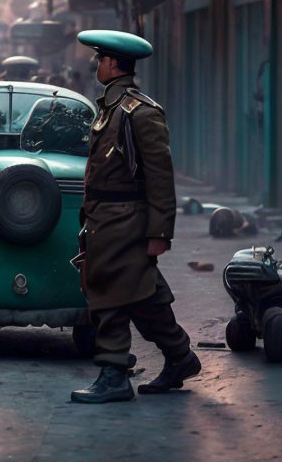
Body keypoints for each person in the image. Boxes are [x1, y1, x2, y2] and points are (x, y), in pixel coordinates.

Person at [71, 29, 200, 404]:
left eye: (100, 59)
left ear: (112, 63)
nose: (96, 65)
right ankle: (180, 357)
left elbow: (160, 175)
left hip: (125, 220)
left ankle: (113, 374)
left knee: (109, 290)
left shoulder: (139, 112)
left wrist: (160, 231)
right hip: (106, 218)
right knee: (144, 295)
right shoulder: (111, 108)